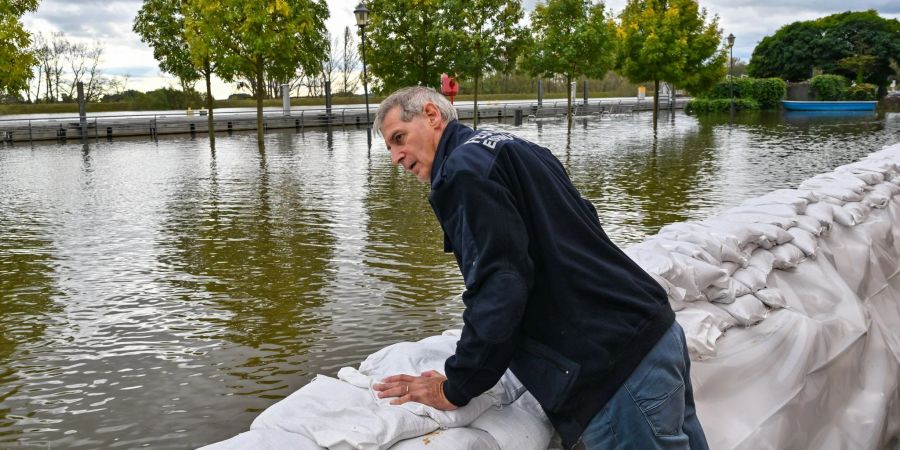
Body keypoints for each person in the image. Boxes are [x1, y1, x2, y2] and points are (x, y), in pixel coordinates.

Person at [371, 86, 708, 450]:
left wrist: (456, 385)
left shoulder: (462, 171)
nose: (395, 157)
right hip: (653, 331)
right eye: (390, 146)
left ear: (432, 116)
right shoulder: (510, 145)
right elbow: (585, 220)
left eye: (399, 138)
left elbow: (500, 286)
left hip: (612, 369)